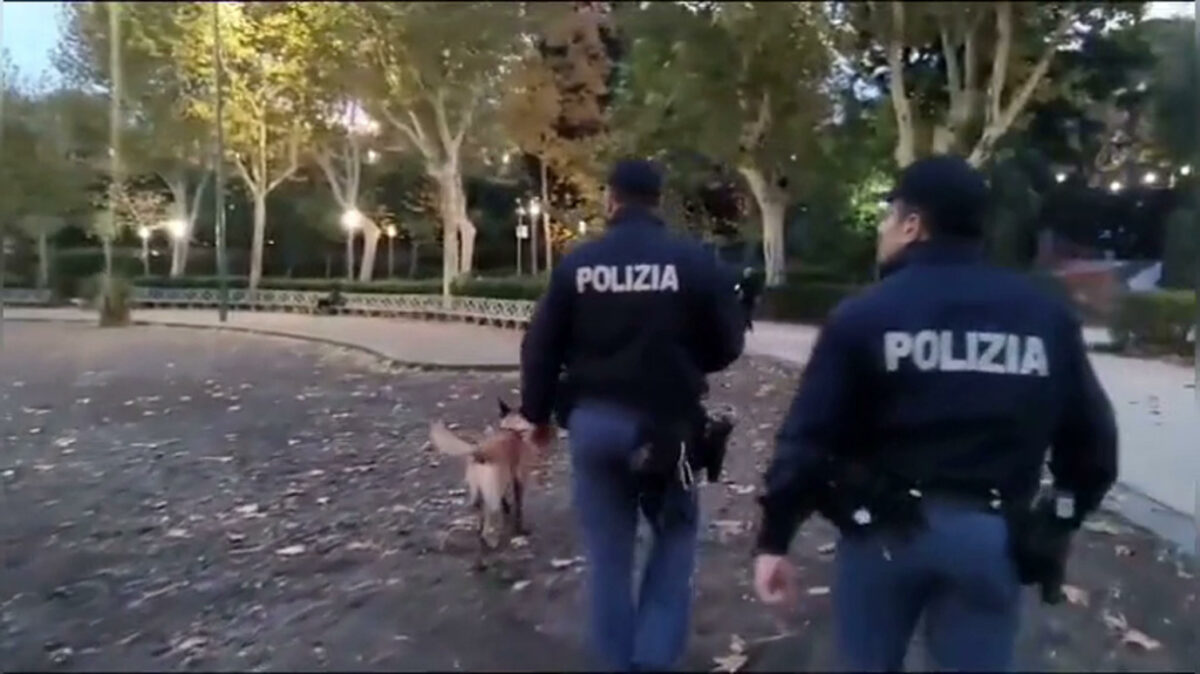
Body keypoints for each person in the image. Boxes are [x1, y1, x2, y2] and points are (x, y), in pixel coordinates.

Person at [751, 155, 1118, 671]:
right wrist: (1057, 519)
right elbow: (1093, 447)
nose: (882, 230)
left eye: (888, 217)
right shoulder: (1045, 316)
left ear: (913, 225)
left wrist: (775, 538)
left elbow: (807, 440)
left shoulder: (865, 314)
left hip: (881, 535)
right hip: (989, 537)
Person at [518, 158, 746, 671]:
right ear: (657, 201)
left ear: (610, 200)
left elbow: (540, 346)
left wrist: (536, 415)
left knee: (607, 560)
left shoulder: (579, 264)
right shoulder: (691, 261)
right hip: (667, 428)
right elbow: (727, 342)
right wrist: (689, 360)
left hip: (595, 423)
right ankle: (655, 658)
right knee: (674, 541)